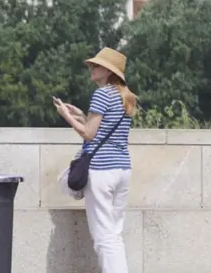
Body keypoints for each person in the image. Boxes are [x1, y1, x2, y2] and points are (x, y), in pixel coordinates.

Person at [54, 47, 137, 273]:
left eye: (97, 65)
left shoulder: (101, 94)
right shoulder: (125, 96)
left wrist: (67, 117)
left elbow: (89, 134)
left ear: (109, 72)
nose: (92, 68)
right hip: (122, 168)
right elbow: (105, 128)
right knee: (114, 234)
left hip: (102, 170)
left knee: (103, 237)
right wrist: (81, 115)